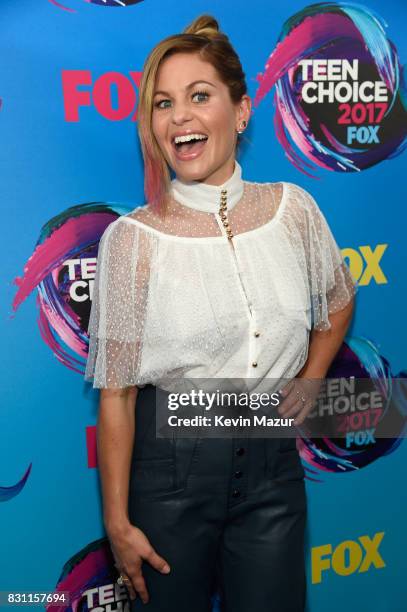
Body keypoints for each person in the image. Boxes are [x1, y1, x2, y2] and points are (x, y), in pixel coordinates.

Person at [84, 14, 357, 612]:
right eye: (163, 103)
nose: (179, 115)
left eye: (199, 96)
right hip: (170, 472)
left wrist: (311, 379)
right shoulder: (132, 239)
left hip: (272, 469)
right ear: (152, 128)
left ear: (241, 111)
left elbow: (338, 300)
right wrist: (118, 524)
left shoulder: (294, 210)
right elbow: (117, 395)